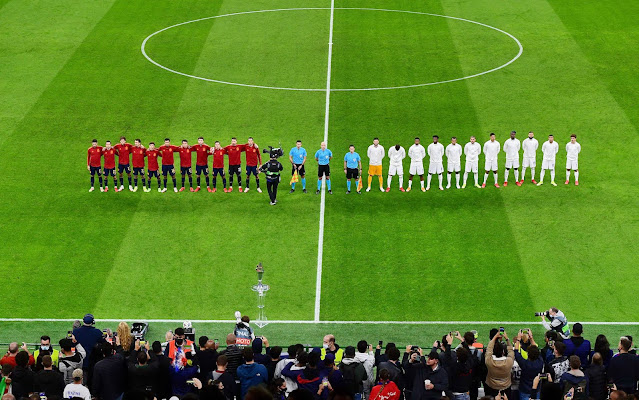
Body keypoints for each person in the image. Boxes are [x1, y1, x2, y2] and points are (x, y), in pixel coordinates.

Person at [513, 332, 543, 400]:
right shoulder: (540, 362)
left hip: (524, 390)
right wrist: (531, 338)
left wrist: (518, 339)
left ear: (528, 354)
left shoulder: (525, 364)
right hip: (536, 389)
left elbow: (516, 352)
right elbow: (537, 350)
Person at [484, 330, 514, 398]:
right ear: (503, 352)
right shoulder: (509, 361)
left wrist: (495, 337)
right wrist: (507, 339)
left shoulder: (489, 361)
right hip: (505, 387)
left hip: (492, 387)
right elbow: (511, 350)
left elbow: (489, 349)